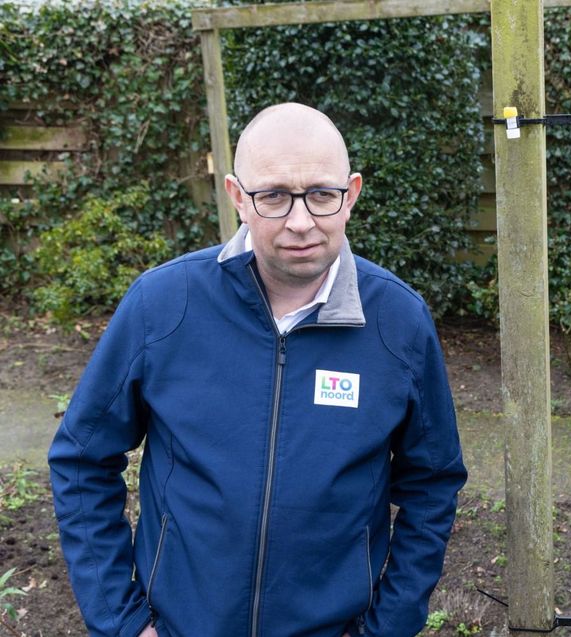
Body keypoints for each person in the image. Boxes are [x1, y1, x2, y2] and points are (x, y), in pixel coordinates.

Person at [48, 103, 467, 637]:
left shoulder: (397, 322)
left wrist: (387, 627)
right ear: (237, 197)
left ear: (352, 194)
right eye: (273, 196)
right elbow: (81, 458)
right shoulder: (164, 305)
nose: (300, 221)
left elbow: (432, 485)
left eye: (321, 194)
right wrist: (122, 622)